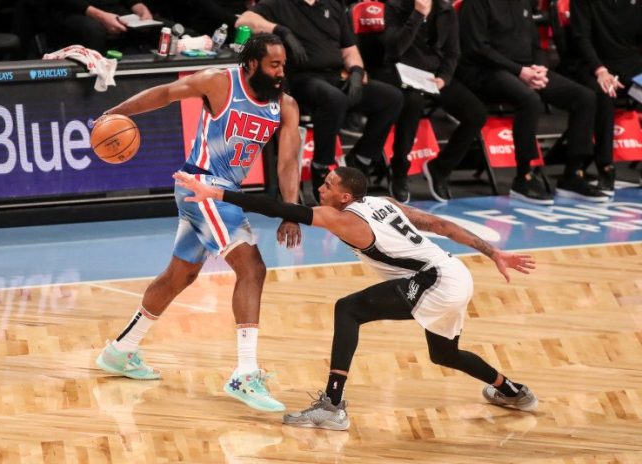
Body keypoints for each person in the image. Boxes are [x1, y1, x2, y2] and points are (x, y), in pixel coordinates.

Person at [174, 166, 539, 431]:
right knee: (443, 353)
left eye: (328, 185)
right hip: (454, 273)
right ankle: (511, 391)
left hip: (435, 280)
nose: (321, 187)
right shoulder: (384, 202)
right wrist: (494, 254)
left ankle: (332, 404)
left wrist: (217, 194)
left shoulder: (343, 218)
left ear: (345, 197)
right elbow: (440, 225)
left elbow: (281, 210)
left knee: (347, 309)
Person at [95, 33, 303, 413]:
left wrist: (291, 209)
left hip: (220, 194)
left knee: (180, 276)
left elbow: (288, 162)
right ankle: (244, 371)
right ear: (253, 63)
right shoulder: (219, 82)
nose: (281, 72)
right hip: (201, 185)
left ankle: (121, 350)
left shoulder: (285, 105)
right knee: (252, 269)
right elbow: (165, 93)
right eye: (274, 65)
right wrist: (116, 114)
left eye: (284, 65)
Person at [236, 0, 404, 203]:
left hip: (335, 75)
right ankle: (321, 169)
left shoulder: (333, 6)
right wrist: (281, 31)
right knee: (334, 99)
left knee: (392, 98)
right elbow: (244, 21)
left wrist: (357, 72)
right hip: (300, 78)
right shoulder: (278, 4)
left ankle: (359, 161)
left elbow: (349, 49)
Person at [457, 0, 609, 204]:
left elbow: (535, 43)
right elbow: (477, 48)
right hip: (485, 71)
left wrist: (541, 68)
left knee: (585, 97)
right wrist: (520, 72)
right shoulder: (475, 4)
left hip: (525, 69)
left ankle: (572, 175)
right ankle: (524, 177)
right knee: (529, 99)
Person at [381, 0, 487, 202]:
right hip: (400, 72)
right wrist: (418, 14)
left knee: (476, 114)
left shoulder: (446, 10)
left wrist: (444, 78)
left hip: (434, 76)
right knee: (413, 101)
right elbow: (395, 49)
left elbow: (453, 52)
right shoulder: (396, 6)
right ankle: (400, 169)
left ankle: (440, 169)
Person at [570, 0, 642, 195]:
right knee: (605, 92)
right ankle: (605, 166)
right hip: (592, 64)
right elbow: (580, 38)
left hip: (630, 63)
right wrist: (600, 70)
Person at [48, 0, 165, 54]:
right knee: (94, 31)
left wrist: (141, 9)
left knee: (168, 29)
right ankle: (93, 82)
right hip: (74, 10)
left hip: (113, 8)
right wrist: (101, 17)